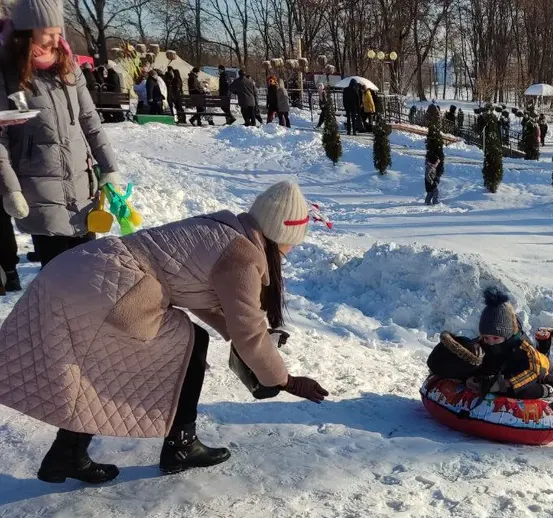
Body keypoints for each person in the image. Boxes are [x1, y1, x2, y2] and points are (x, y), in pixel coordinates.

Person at [0, 180, 329, 484]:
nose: (291, 250)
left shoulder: (224, 229)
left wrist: (242, 334)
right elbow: (249, 332)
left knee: (101, 361)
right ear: (281, 235)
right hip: (108, 283)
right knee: (190, 343)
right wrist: (285, 380)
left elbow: (196, 289)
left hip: (80, 270)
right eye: (292, 243)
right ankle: (181, 445)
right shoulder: (243, 258)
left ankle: (66, 453)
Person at [0, 3, 119, 268]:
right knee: (58, 276)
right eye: (48, 33)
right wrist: (11, 189)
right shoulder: (7, 73)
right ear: (27, 32)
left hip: (82, 186)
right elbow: (1, 138)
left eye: (58, 32)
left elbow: (90, 121)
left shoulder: (68, 65)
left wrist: (109, 167)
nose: (56, 40)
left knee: (89, 271)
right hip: (40, 189)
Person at [431, 288, 553, 415]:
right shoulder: (485, 342)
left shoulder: (523, 349)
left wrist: (501, 384)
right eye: (486, 337)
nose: (490, 341)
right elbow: (472, 354)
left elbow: (531, 372)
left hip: (539, 370)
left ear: (507, 334)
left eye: (495, 338)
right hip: (510, 370)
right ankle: (545, 343)